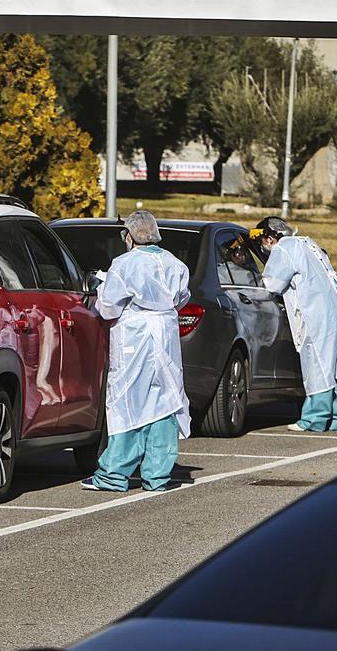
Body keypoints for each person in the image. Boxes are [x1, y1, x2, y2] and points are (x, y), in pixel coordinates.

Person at [82, 210, 192, 492]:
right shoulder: (174, 263)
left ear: (129, 236)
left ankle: (113, 473)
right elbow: (181, 298)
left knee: (127, 401)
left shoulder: (124, 264)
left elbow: (108, 307)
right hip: (165, 335)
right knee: (164, 399)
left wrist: (100, 287)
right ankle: (157, 474)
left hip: (134, 337)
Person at [253, 217, 337, 432]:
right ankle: (334, 418)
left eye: (262, 240)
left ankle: (314, 419)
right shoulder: (307, 242)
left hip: (315, 312)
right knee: (335, 364)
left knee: (317, 364)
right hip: (336, 310)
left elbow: (272, 283)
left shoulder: (284, 248)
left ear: (270, 238)